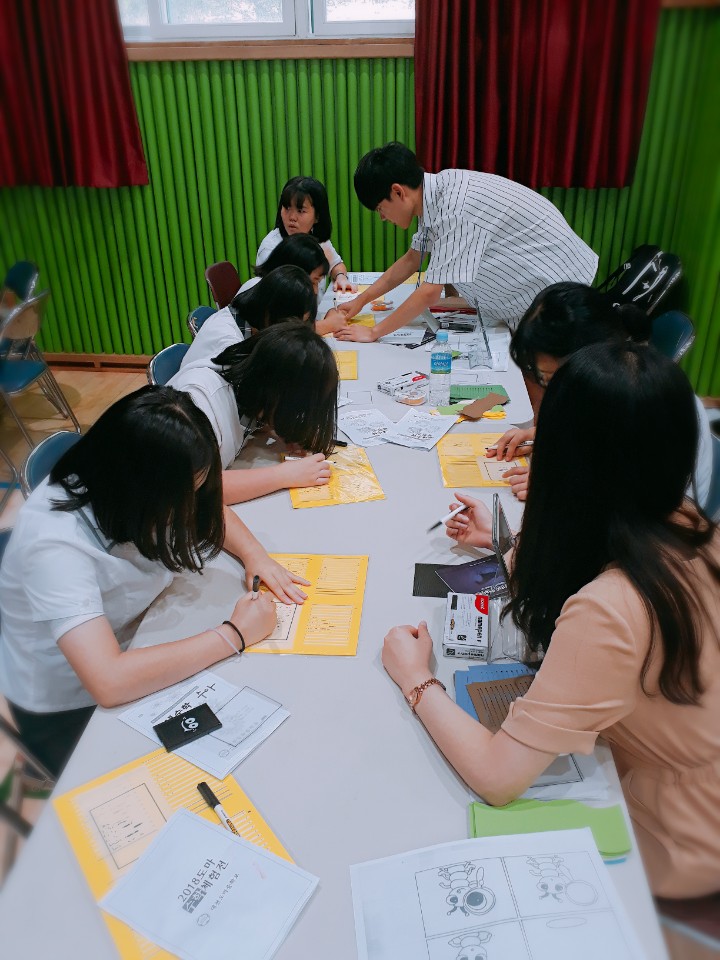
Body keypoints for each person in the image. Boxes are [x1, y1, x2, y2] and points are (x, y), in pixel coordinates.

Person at [382, 342, 720, 899]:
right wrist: (508, 542)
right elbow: (587, 551)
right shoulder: (684, 520)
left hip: (678, 834)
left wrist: (416, 679)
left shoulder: (611, 608)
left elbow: (497, 777)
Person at [0, 387, 278, 776]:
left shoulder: (127, 478)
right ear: (139, 488)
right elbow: (109, 681)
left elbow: (204, 505)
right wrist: (233, 635)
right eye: (181, 496)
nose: (189, 506)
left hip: (133, 630)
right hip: (67, 700)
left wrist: (255, 555)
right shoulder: (54, 544)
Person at [334, 142, 598, 343]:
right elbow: (411, 260)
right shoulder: (434, 195)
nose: (382, 218)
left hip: (558, 294)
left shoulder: (454, 208)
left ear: (398, 192)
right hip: (532, 296)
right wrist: (361, 300)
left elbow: (429, 292)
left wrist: (374, 332)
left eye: (380, 208)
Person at [488, 282, 712, 507]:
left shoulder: (645, 405)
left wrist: (561, 486)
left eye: (554, 378)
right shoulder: (609, 385)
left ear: (593, 363)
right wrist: (541, 435)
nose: (552, 390)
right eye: (543, 378)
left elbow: (635, 504)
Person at [170, 321, 339, 505]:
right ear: (278, 393)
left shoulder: (248, 387)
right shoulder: (199, 401)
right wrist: (285, 475)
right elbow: (195, 490)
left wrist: (282, 431)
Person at [182, 265, 318, 369]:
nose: (293, 335)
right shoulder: (231, 349)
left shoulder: (255, 296)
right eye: (291, 326)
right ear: (271, 314)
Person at [256, 176, 356, 294]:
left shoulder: (316, 239)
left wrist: (340, 277)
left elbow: (336, 265)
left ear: (317, 216)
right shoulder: (271, 248)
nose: (292, 217)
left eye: (300, 211)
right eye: (287, 208)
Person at [238, 233, 330, 296]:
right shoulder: (260, 290)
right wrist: (324, 324)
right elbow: (288, 324)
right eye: (313, 282)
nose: (316, 291)